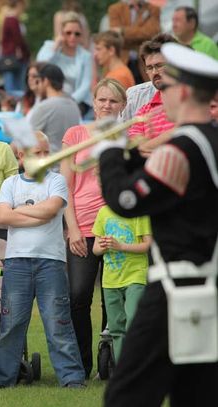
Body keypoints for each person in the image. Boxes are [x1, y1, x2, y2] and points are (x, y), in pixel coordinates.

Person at [96, 43, 218, 407]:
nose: (161, 95)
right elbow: (170, 194)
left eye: (164, 88)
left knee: (124, 395)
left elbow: (126, 201)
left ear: (181, 91)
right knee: (195, 396)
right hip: (208, 285)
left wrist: (110, 151)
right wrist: (131, 156)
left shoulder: (179, 148)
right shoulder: (209, 142)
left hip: (174, 289)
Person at [0, 132, 86, 389]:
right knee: (11, 324)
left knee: (58, 322)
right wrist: (37, 214)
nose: (43, 158)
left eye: (46, 152)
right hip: (17, 262)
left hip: (50, 262)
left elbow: (52, 209)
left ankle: (72, 378)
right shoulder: (10, 184)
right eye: (36, 153)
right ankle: (1, 379)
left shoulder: (56, 181)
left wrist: (18, 211)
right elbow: (3, 217)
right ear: (21, 157)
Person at [60, 78, 127, 378]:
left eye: (113, 101)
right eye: (102, 100)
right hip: (83, 227)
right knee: (78, 295)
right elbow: (65, 186)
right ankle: (81, 363)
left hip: (120, 227)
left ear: (123, 106)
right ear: (94, 102)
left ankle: (108, 359)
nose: (106, 105)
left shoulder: (130, 137)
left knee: (113, 296)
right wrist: (72, 228)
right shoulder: (76, 134)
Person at [92, 205, 151, 363]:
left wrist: (121, 246)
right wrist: (103, 246)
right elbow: (95, 249)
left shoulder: (139, 211)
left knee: (134, 321)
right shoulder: (103, 212)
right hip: (110, 280)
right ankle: (122, 369)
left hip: (135, 276)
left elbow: (148, 245)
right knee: (116, 328)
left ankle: (139, 366)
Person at [128, 34, 177, 157]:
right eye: (149, 67)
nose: (154, 72)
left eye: (159, 65)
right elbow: (134, 148)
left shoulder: (189, 101)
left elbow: (182, 133)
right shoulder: (144, 111)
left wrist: (146, 148)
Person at [37, 11, 92, 116]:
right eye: (68, 33)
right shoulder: (50, 47)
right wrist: (56, 45)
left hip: (77, 101)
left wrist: (69, 101)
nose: (73, 37)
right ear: (61, 33)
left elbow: (85, 85)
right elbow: (40, 66)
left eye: (77, 34)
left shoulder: (85, 56)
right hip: (51, 98)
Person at [26, 64, 81, 154]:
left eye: (39, 81)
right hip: (69, 161)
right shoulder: (74, 105)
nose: (38, 86)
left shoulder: (43, 107)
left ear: (46, 81)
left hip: (49, 161)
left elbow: (28, 138)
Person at [108, 0, 161, 84]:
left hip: (144, 63)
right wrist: (141, 35)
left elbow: (152, 32)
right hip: (123, 61)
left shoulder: (153, 9)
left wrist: (123, 31)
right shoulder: (115, 9)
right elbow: (115, 36)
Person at [0, 0, 30, 92]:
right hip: (15, 56)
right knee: (17, 86)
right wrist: (26, 53)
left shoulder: (7, 19)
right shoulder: (12, 20)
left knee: (11, 84)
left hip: (9, 55)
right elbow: (18, 39)